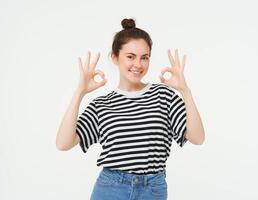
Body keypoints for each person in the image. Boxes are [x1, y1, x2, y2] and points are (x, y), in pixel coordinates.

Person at [56, 18, 205, 200]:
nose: (138, 64)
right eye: (130, 56)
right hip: (111, 188)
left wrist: (185, 91)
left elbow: (197, 138)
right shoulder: (102, 105)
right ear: (114, 57)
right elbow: (63, 143)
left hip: (153, 189)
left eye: (145, 57)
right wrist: (79, 92)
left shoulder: (164, 96)